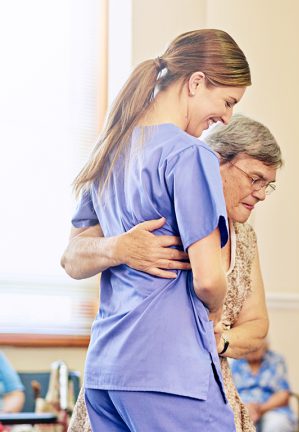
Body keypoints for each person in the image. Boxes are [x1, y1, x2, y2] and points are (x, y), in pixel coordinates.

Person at [63, 29, 251, 431]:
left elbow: (72, 257)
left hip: (107, 376)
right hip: (169, 373)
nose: (226, 117)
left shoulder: (110, 152)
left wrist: (114, 248)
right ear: (196, 82)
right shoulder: (190, 154)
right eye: (227, 101)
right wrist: (214, 317)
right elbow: (208, 279)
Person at [65, 115, 282, 432]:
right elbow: (71, 257)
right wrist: (119, 247)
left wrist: (220, 340)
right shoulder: (159, 206)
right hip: (144, 383)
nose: (261, 193)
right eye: (255, 179)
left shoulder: (245, 237)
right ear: (215, 162)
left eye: (268, 185)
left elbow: (257, 324)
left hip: (207, 387)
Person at [231, 342, 297, 432]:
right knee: (233, 424)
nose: (254, 348)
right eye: (250, 343)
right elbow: (230, 394)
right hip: (243, 411)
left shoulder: (276, 360)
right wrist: (245, 409)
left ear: (265, 344)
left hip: (272, 409)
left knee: (276, 424)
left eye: (257, 341)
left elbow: (283, 395)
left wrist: (260, 409)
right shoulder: (235, 364)